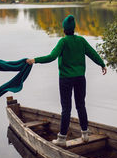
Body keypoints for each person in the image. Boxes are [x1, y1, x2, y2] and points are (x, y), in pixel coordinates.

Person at [26, 15, 107, 147]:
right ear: (74, 28)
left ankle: (62, 138)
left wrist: (34, 60)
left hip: (66, 79)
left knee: (66, 108)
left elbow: (52, 57)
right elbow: (92, 53)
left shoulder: (63, 42)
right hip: (80, 78)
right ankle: (85, 134)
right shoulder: (81, 40)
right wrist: (102, 64)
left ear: (64, 29)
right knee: (81, 105)